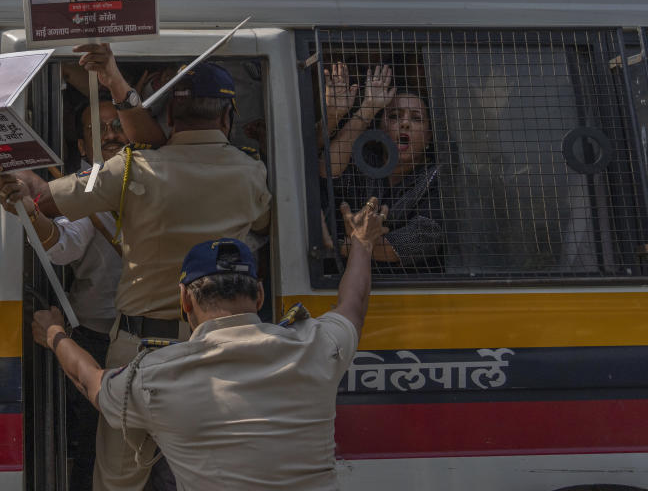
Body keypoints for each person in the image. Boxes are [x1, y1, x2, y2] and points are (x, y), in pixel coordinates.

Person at [0, 61, 271, 491]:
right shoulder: (252, 173)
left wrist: (13, 181)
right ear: (229, 117)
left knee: (119, 478)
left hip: (137, 354)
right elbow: (267, 222)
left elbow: (44, 201)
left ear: (170, 118)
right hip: (216, 350)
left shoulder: (130, 169)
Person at [29, 199, 388, 491]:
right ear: (259, 293)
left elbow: (90, 380)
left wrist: (55, 334)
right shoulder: (315, 345)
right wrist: (362, 242)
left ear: (184, 300)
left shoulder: (157, 376)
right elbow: (352, 306)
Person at [0, 98, 126, 490]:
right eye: (97, 131)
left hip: (163, 334)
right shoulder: (84, 187)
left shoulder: (156, 176)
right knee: (98, 449)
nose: (111, 134)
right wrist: (31, 212)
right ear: (83, 148)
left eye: (118, 124)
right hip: (100, 337)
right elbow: (63, 245)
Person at [327, 64, 443, 272]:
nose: (405, 124)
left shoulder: (437, 178)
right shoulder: (362, 162)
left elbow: (418, 240)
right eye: (394, 116)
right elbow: (327, 169)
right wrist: (368, 109)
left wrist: (340, 246)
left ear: (429, 136)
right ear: (380, 127)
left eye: (416, 118)